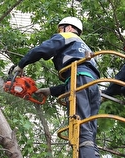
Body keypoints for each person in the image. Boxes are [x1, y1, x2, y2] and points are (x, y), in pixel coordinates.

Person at [13, 16, 101, 158]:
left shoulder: (67, 36)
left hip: (79, 81)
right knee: (89, 132)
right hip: (93, 87)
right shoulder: (85, 48)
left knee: (80, 129)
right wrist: (50, 91)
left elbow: (42, 50)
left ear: (70, 28)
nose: (60, 31)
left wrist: (21, 64)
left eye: (61, 28)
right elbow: (77, 80)